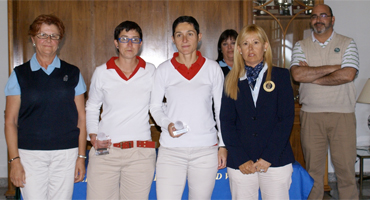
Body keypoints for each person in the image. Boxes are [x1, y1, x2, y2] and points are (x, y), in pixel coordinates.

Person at [4, 14, 87, 199]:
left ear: (59, 41)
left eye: (54, 36)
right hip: (29, 155)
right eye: (42, 35)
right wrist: (14, 160)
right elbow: (10, 121)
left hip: (66, 155)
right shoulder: (19, 74)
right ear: (33, 39)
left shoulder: (73, 73)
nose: (48, 40)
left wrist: (81, 157)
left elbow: (82, 117)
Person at [150, 16, 227, 199]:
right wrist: (166, 124)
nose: (184, 40)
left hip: (205, 150)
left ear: (199, 37)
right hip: (171, 151)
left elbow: (222, 111)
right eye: (179, 35)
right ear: (173, 39)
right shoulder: (163, 70)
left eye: (190, 34)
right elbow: (154, 107)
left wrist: (223, 145)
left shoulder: (212, 68)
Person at [290, 4, 359, 199]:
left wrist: (313, 75)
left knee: (345, 173)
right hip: (311, 116)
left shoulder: (348, 43)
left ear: (332, 19)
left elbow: (348, 74)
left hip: (342, 115)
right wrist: (335, 66)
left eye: (323, 16)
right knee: (314, 173)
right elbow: (297, 74)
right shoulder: (300, 46)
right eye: (314, 16)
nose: (318, 20)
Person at [220, 24, 295, 199]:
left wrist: (268, 157)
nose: (251, 48)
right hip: (241, 162)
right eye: (245, 44)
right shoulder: (230, 80)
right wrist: (240, 158)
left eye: (256, 42)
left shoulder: (281, 76)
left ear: (265, 46)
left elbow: (285, 120)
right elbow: (226, 122)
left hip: (275, 160)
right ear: (239, 49)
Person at [85, 21, 156, 200]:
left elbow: (157, 105)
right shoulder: (102, 72)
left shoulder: (150, 71)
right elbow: (92, 106)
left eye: (134, 39)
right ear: (116, 43)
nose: (130, 44)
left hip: (140, 154)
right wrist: (92, 135)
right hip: (105, 151)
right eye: (124, 39)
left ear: (140, 44)